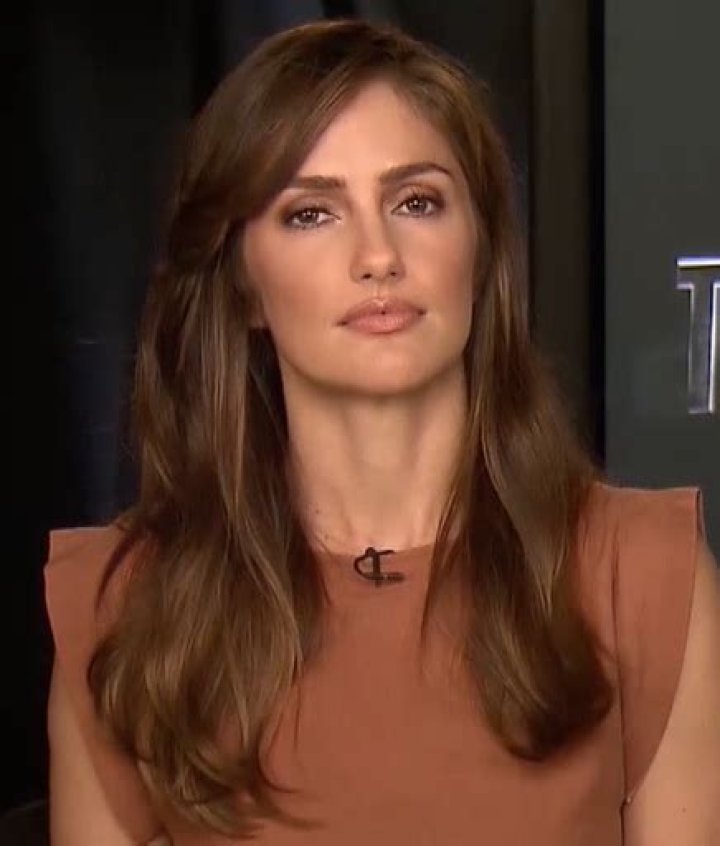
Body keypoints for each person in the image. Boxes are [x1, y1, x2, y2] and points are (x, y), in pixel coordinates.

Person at [44, 18, 720, 846]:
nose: (378, 256)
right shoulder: (124, 612)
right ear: (242, 284)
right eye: (310, 214)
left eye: (416, 202)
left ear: (481, 249)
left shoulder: (641, 576)